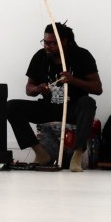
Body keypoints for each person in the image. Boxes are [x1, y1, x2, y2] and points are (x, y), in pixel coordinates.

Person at [7, 23, 103, 172]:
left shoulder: (82, 55)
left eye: (52, 43)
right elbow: (29, 88)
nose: (47, 46)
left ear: (64, 41)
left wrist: (73, 80)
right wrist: (38, 89)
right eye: (45, 42)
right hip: (48, 108)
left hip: (72, 109)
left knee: (88, 102)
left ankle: (77, 154)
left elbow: (97, 88)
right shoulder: (40, 56)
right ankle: (40, 153)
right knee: (11, 106)